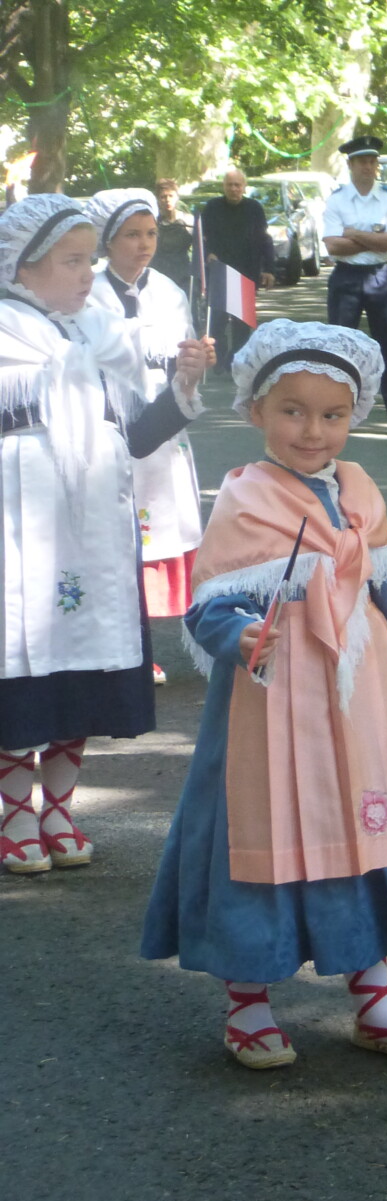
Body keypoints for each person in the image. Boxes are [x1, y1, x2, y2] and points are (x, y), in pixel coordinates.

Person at [141, 319, 387, 1070]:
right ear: (255, 411)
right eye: (293, 410)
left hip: (359, 696)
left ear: (355, 416)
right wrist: (239, 635)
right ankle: (247, 998)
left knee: (364, 825)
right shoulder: (247, 498)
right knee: (266, 828)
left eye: (332, 414)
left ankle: (373, 993)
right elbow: (212, 601)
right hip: (275, 696)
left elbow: (386, 598)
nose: (314, 430)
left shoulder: (360, 491)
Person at [0, 195, 212, 875]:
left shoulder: (100, 332)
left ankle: (59, 808)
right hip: (20, 536)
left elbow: (138, 437)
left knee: (83, 670)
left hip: (95, 535)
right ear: (22, 269)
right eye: (71, 261)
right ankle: (12, 815)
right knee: (22, 667)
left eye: (89, 258)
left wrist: (181, 386)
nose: (88, 274)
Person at [84, 188, 205, 682]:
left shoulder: (169, 291)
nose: (144, 244)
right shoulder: (86, 290)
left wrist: (194, 364)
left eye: (150, 233)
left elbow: (181, 353)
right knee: (112, 540)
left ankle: (169, 639)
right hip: (106, 427)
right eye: (131, 235)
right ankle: (119, 645)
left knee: (159, 534)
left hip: (160, 429)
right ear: (107, 241)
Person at [321, 135, 387, 436]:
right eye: (362, 161)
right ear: (350, 165)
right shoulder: (337, 199)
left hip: (380, 277)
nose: (368, 166)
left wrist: (354, 234)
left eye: (373, 161)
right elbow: (333, 247)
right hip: (345, 277)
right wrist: (374, 239)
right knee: (340, 348)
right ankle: (334, 415)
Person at [199, 166, 277, 368]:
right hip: (219, 272)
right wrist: (208, 253)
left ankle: (237, 360)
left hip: (246, 272)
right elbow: (201, 239)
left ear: (244, 187)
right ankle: (220, 358)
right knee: (217, 321)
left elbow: (264, 239)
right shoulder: (213, 207)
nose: (234, 189)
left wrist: (269, 269)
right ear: (224, 187)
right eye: (229, 185)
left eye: (237, 185)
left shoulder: (254, 208)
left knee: (242, 324)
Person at [150, 178, 196, 289]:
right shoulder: (152, 222)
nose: (167, 200)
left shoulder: (189, 221)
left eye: (171, 196)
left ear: (177, 197)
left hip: (183, 277)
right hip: (158, 277)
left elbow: (199, 251)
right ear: (158, 199)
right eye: (163, 197)